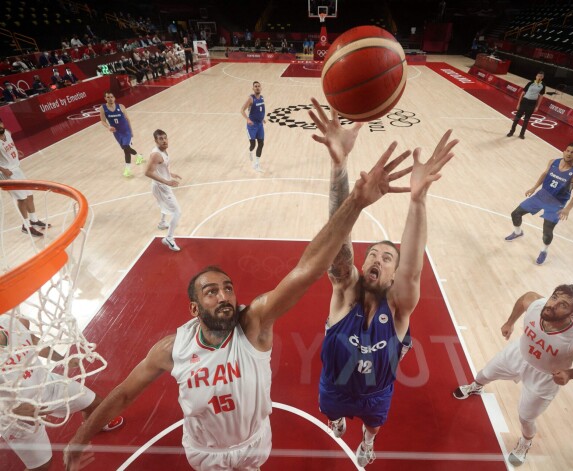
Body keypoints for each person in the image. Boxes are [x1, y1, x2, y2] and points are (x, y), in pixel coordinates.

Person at [63, 133, 414, 471]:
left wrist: (354, 199)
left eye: (228, 288)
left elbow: (309, 267)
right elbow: (123, 394)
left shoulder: (254, 324)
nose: (224, 296)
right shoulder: (171, 350)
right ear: (194, 308)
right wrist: (80, 438)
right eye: (211, 291)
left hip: (253, 443)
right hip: (205, 452)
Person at [308, 98, 459, 467]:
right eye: (373, 254)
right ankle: (339, 419)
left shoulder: (399, 306)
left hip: (377, 392)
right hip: (335, 388)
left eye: (386, 257)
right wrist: (339, 166)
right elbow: (336, 241)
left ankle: (368, 442)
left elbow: (413, 270)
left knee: (375, 425)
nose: (376, 258)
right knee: (330, 413)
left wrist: (418, 200)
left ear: (393, 275)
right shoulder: (345, 291)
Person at [453, 285, 573, 466]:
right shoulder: (537, 305)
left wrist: (571, 374)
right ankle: (476, 387)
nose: (553, 305)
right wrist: (510, 322)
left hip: (545, 377)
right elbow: (525, 297)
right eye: (554, 297)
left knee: (526, 417)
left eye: (563, 305)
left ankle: (525, 442)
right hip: (518, 354)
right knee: (484, 374)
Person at [0, 311, 124, 470]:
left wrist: (61, 359)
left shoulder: (12, 322)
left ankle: (94, 424)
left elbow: (31, 340)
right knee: (42, 467)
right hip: (15, 415)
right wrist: (10, 409)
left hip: (46, 384)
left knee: (97, 406)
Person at [504, 142, 573, 265]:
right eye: (568, 151)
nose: (569, 154)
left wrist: (568, 209)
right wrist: (534, 187)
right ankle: (517, 232)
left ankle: (544, 251)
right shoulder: (553, 162)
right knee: (515, 213)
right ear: (564, 151)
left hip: (556, 204)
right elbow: (544, 174)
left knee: (547, 231)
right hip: (541, 196)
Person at [0, 118, 51, 236]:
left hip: (16, 168)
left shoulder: (7, 133)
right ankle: (26, 226)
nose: (0, 127)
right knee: (22, 199)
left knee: (29, 195)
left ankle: (34, 220)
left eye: (0, 124)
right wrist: (3, 169)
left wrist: (16, 151)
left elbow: (10, 145)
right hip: (6, 173)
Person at [144, 129, 182, 252]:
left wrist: (170, 174)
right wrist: (167, 181)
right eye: (161, 139)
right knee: (177, 212)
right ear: (156, 141)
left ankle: (162, 223)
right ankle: (169, 239)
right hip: (161, 186)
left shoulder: (163, 151)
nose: (164, 140)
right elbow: (147, 172)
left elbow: (160, 168)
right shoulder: (156, 155)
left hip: (160, 185)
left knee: (164, 204)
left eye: (165, 138)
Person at [99, 91, 144, 177]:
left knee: (126, 149)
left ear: (114, 98)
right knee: (126, 148)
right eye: (108, 97)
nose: (110, 99)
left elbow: (127, 119)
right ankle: (139, 156)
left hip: (125, 131)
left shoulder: (121, 106)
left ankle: (128, 169)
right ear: (105, 98)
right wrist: (108, 127)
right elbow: (103, 121)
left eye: (111, 97)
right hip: (117, 132)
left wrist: (131, 131)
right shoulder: (102, 108)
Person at [507, 71, 546, 139]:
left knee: (526, 120)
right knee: (516, 119)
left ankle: (522, 134)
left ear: (543, 77)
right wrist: (519, 104)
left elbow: (540, 97)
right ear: (536, 76)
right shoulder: (530, 83)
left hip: (532, 103)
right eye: (538, 76)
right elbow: (522, 93)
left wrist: (537, 106)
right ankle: (511, 132)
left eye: (541, 76)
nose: (539, 77)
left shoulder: (543, 85)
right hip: (524, 101)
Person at [241, 81, 266, 172]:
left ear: (261, 88)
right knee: (253, 144)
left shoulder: (262, 98)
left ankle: (256, 164)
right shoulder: (251, 99)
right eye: (255, 86)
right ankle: (250, 151)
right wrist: (247, 119)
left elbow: (261, 110)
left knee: (261, 143)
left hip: (260, 125)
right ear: (253, 88)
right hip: (252, 125)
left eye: (259, 86)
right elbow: (242, 110)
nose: (257, 87)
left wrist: (262, 119)